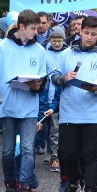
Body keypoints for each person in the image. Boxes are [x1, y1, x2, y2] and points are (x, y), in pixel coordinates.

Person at [51, 15, 97, 192]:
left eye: (93, 34)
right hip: (70, 111)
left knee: (91, 154)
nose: (89, 37)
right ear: (80, 32)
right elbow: (53, 76)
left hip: (93, 113)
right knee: (67, 153)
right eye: (86, 33)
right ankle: (73, 181)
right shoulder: (66, 54)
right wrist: (63, 78)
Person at [0, 9, 48, 192]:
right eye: (32, 29)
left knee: (28, 148)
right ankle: (10, 185)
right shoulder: (2, 47)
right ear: (21, 27)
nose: (36, 32)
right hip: (7, 105)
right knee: (8, 150)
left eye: (37, 29)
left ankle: (24, 186)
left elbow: (42, 81)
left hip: (29, 107)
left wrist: (36, 85)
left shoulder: (39, 50)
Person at [40, 25, 66, 172]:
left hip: (63, 96)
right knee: (52, 129)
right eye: (54, 40)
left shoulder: (67, 54)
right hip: (48, 94)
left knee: (60, 129)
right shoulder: (45, 54)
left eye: (59, 40)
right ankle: (54, 156)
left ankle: (58, 155)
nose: (56, 43)